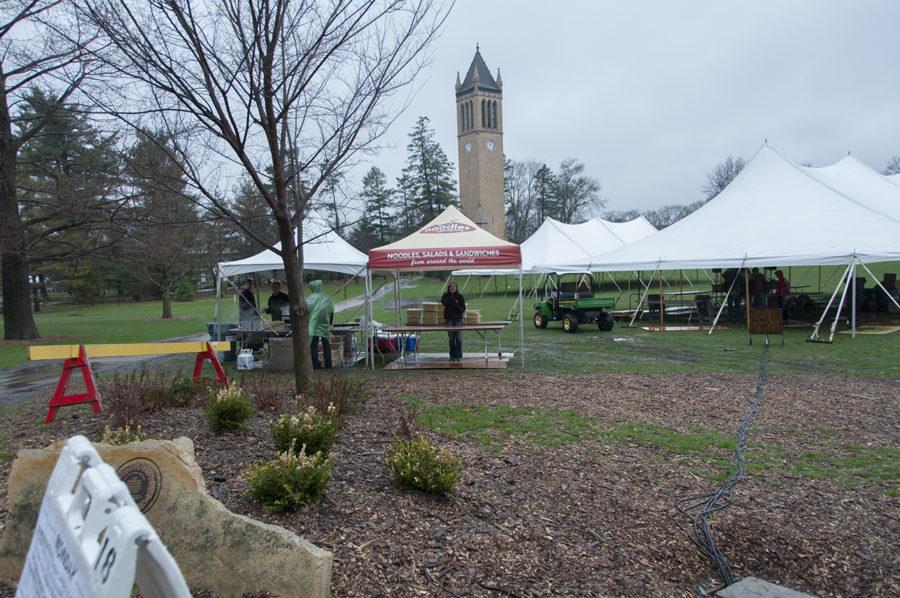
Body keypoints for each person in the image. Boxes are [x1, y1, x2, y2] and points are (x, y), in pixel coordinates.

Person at [307, 280, 334, 369]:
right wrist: (329, 322)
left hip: (313, 324)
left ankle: (315, 365)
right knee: (326, 344)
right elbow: (331, 310)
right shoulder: (327, 297)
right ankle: (328, 364)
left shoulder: (309, 298)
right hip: (324, 323)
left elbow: (306, 311)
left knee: (313, 345)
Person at [441, 280, 466, 361]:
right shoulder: (445, 295)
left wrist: (456, 305)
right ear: (448, 288)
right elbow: (444, 303)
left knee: (458, 338)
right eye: (451, 286)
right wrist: (452, 300)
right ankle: (452, 356)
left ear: (456, 287)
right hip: (449, 320)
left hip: (458, 320)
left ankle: (459, 356)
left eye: (454, 286)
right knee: (451, 339)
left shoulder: (460, 296)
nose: (452, 288)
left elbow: (463, 308)